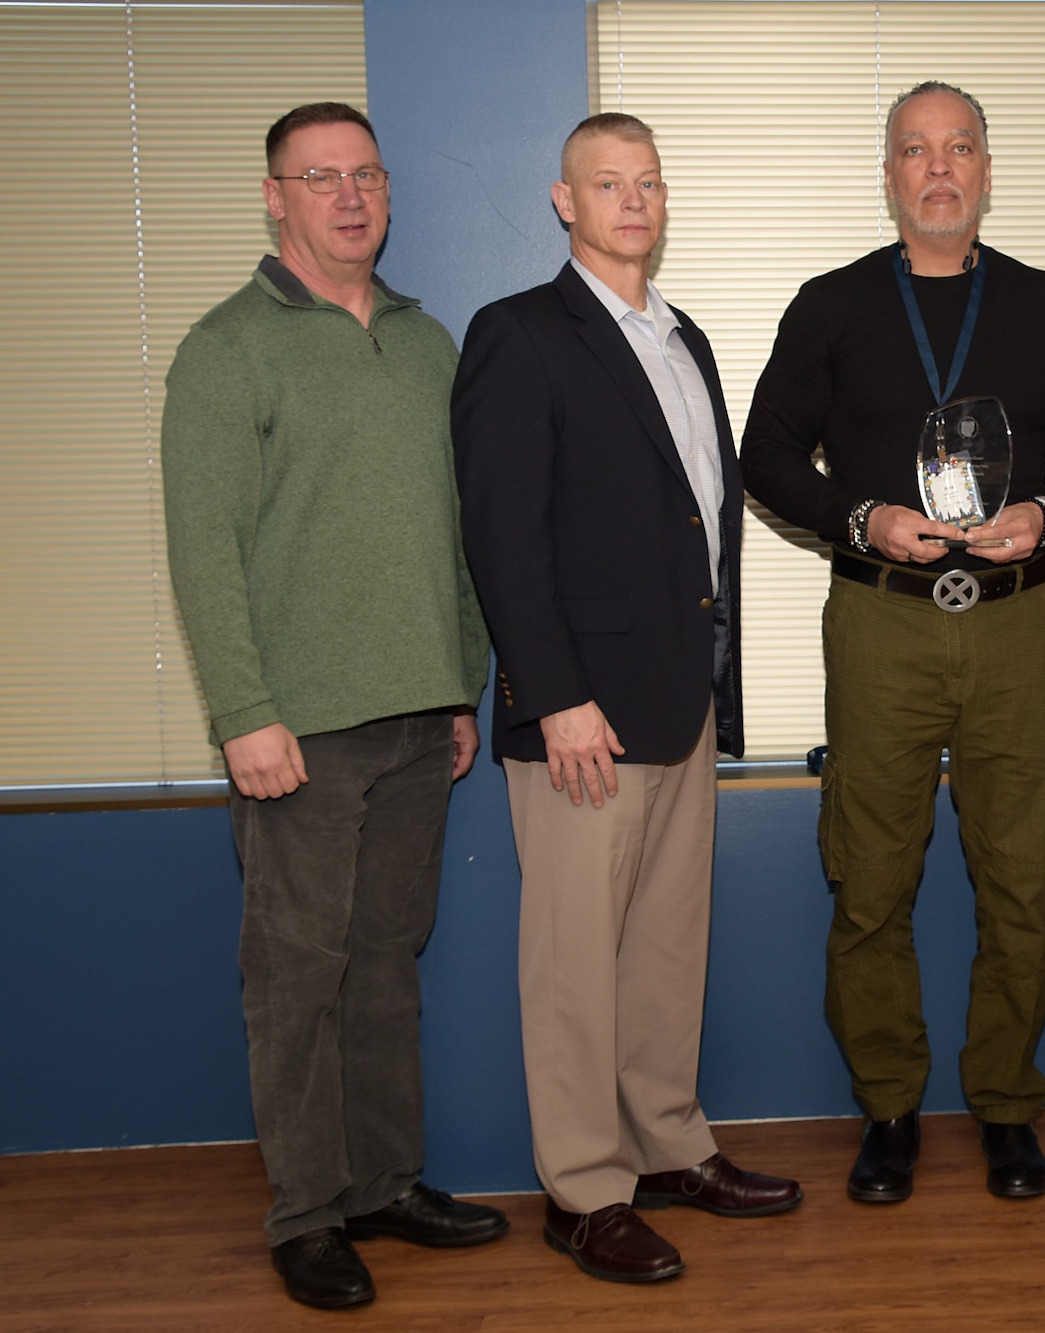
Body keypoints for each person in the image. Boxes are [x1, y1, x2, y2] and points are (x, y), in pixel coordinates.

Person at [744, 81, 1045, 1203]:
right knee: (871, 878)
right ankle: (890, 1108)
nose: (938, 169)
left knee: (1021, 876)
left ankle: (1006, 1106)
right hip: (879, 624)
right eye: (915, 151)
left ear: (986, 170)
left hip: (1014, 627)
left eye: (958, 148)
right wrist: (858, 516)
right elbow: (762, 456)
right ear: (889, 176)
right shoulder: (828, 307)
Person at [160, 102, 506, 1311]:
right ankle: (305, 1213)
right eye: (320, 177)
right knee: (294, 976)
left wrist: (463, 680)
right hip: (296, 729)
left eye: (365, 174)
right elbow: (203, 550)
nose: (348, 196)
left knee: (383, 963)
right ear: (275, 196)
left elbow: (462, 532)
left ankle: (382, 1184)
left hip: (420, 715)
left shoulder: (428, 346)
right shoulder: (226, 349)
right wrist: (243, 711)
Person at [452, 112, 801, 1285]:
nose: (632, 200)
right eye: (608, 183)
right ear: (563, 201)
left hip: (679, 702)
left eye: (648, 182)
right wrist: (552, 697)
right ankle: (583, 1191)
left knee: (662, 951)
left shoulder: (682, 335)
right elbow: (503, 535)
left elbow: (695, 522)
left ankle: (664, 1148)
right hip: (581, 720)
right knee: (573, 966)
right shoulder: (518, 335)